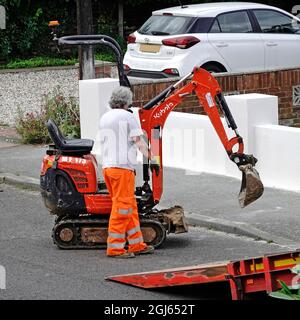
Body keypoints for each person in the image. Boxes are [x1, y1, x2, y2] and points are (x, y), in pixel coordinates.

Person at [100, 86, 159, 258]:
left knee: (130, 206)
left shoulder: (105, 117)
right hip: (122, 168)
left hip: (108, 168)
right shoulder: (128, 116)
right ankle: (115, 248)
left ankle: (136, 244)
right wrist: (153, 159)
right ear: (127, 102)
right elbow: (139, 142)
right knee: (122, 208)